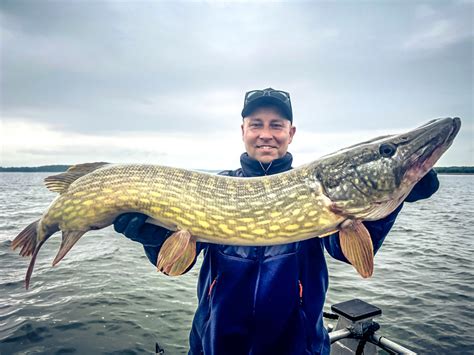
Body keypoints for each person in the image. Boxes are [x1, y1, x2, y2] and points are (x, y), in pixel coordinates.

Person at [114, 88, 439, 355]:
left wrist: (392, 198)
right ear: (243, 130)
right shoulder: (216, 188)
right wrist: (152, 237)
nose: (266, 134)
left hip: (296, 347)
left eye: (276, 125)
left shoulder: (319, 189)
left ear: (290, 133)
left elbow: (343, 251)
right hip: (216, 345)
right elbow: (175, 265)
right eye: (256, 124)